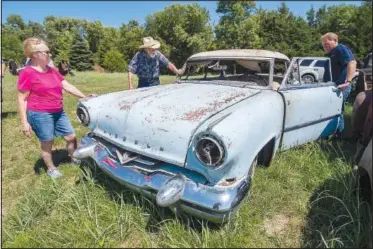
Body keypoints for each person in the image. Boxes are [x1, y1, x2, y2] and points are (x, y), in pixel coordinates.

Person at [17, 37, 96, 179]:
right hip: (40, 114)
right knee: (47, 142)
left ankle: (74, 158)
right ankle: (51, 168)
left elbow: (66, 85)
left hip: (58, 111)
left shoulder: (52, 71)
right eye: (46, 52)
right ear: (35, 54)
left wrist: (84, 97)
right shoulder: (27, 73)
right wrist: (24, 122)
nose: (50, 54)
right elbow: (21, 98)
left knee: (71, 137)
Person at [321, 32, 357, 139]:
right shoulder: (332, 54)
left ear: (335, 41)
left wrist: (348, 81)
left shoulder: (341, 49)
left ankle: (337, 136)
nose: (325, 47)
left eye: (327, 44)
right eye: (323, 45)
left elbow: (352, 63)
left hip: (342, 86)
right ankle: (332, 135)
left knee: (336, 109)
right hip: (333, 86)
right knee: (335, 109)